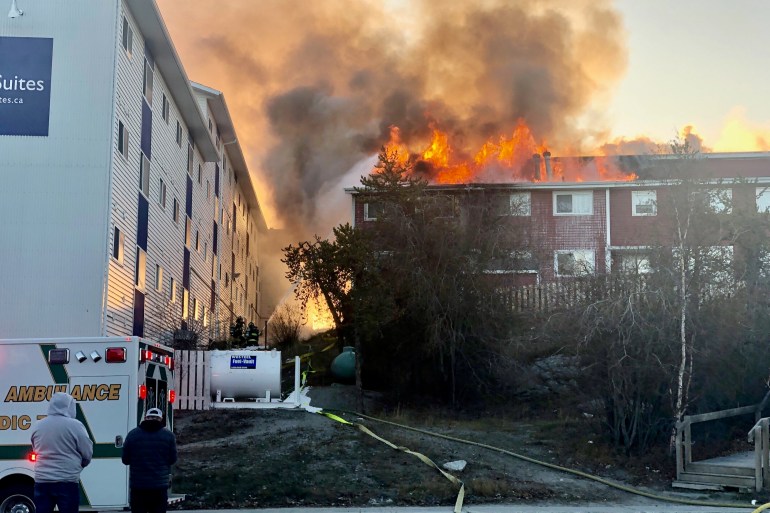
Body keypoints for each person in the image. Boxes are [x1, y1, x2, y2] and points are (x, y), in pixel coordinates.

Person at [30, 392, 93, 513]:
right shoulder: (75, 426)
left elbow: (35, 448)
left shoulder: (38, 425)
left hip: (42, 481)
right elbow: (87, 452)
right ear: (69, 406)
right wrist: (81, 464)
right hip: (67, 480)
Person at [121, 407, 178, 513]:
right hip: (159, 487)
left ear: (146, 418)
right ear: (160, 419)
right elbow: (172, 459)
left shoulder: (132, 435)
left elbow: (125, 460)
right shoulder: (169, 436)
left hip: (138, 487)